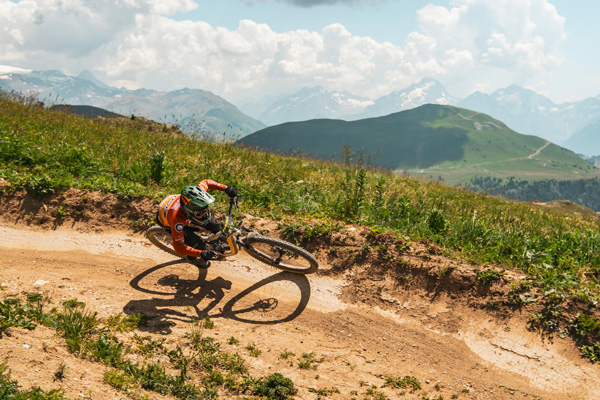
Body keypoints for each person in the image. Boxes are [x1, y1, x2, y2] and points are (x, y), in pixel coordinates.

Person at [156, 179, 238, 268]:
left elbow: (206, 182)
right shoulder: (177, 221)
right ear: (189, 211)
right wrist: (201, 254)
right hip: (167, 221)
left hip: (186, 213)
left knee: (215, 225)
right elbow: (179, 247)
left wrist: (225, 188)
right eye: (199, 213)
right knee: (197, 243)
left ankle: (223, 239)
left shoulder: (196, 196)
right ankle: (193, 260)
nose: (204, 214)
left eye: (206, 209)